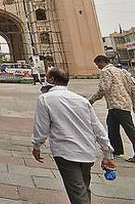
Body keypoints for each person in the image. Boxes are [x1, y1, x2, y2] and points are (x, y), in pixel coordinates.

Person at [32, 67, 116, 204]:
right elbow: (98, 128)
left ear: (52, 79)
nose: (45, 79)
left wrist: (36, 145)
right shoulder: (81, 100)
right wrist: (108, 154)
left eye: (47, 77)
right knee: (83, 189)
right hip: (87, 152)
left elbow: (41, 127)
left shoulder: (45, 99)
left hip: (66, 153)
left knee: (78, 193)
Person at [89, 54, 135, 162]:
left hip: (116, 105)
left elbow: (103, 88)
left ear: (101, 62)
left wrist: (92, 100)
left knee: (130, 130)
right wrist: (133, 103)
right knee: (112, 126)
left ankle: (117, 150)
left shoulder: (106, 72)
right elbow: (132, 88)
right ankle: (116, 150)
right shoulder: (121, 71)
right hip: (122, 104)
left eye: (97, 64)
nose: (98, 67)